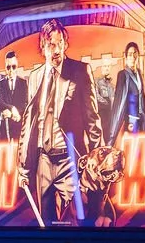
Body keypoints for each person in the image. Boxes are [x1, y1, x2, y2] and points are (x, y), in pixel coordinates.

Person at [16, 21, 95, 226]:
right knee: (46, 225)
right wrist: (23, 167)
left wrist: (96, 162)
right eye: (51, 44)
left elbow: (92, 120)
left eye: (60, 43)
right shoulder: (34, 78)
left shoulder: (80, 71)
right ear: (42, 47)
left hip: (69, 160)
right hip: (42, 161)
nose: (57, 49)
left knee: (80, 222)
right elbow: (28, 124)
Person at [103, 41, 145, 140]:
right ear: (126, 57)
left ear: (138, 56)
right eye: (130, 54)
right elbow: (119, 102)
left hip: (142, 119)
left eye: (135, 53)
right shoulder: (122, 75)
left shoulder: (140, 73)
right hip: (131, 121)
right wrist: (113, 131)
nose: (133, 57)